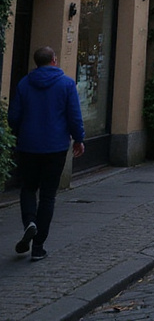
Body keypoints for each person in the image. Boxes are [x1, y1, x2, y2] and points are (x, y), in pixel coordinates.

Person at [7, 46, 85, 261]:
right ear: (54, 60)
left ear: (37, 62)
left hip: (28, 145)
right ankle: (38, 246)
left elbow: (13, 116)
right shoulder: (67, 84)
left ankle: (30, 221)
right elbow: (74, 116)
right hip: (55, 146)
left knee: (28, 188)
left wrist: (21, 132)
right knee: (48, 195)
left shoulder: (24, 83)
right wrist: (78, 138)